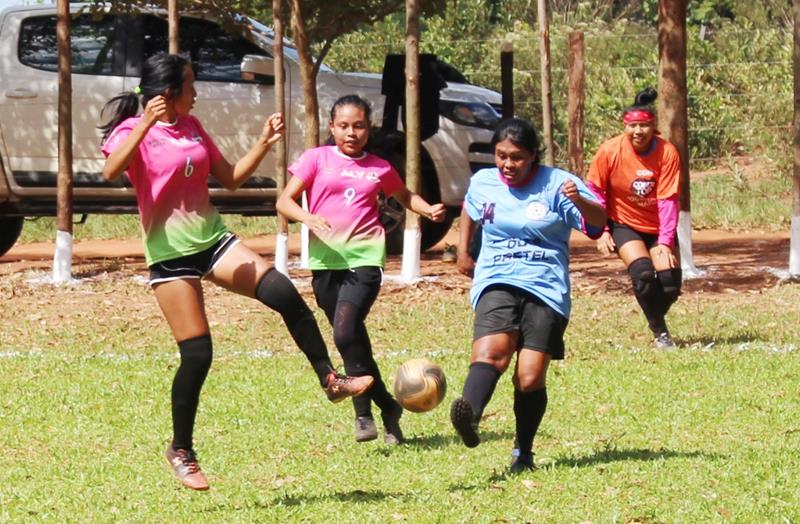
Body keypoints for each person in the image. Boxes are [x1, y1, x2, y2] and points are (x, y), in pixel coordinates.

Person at [99, 54, 374, 491]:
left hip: (213, 242)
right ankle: (181, 449)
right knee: (198, 354)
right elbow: (112, 171)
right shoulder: (131, 132)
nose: (197, 91)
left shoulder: (192, 125)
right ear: (168, 93)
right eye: (190, 84)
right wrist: (146, 125)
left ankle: (330, 378)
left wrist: (264, 142)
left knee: (284, 293)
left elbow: (228, 178)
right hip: (170, 257)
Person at [276, 94, 446, 445]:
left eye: (359, 126)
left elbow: (404, 195)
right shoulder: (315, 159)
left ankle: (364, 414)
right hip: (325, 262)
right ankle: (388, 406)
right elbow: (284, 201)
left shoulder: (380, 166)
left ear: (369, 128)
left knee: (344, 332)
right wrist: (307, 217)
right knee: (354, 342)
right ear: (332, 127)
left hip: (365, 260)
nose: (351, 133)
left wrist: (427, 210)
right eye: (343, 126)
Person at [449, 117, 606, 473]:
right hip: (497, 278)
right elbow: (470, 210)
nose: (507, 164)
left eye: (517, 157)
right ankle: (469, 416)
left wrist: (579, 199)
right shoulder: (484, 182)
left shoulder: (559, 184)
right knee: (491, 353)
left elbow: (598, 224)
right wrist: (463, 251)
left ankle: (524, 451)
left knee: (530, 376)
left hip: (545, 285)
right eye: (501, 156)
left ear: (534, 155)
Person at [586, 87, 682, 349]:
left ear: (654, 127)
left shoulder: (667, 152)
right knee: (643, 275)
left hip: (659, 226)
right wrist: (601, 230)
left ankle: (654, 315)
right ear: (624, 126)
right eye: (633, 126)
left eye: (644, 125)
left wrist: (665, 241)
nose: (638, 131)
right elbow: (595, 192)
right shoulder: (609, 151)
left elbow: (668, 199)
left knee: (671, 285)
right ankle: (660, 332)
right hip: (624, 223)